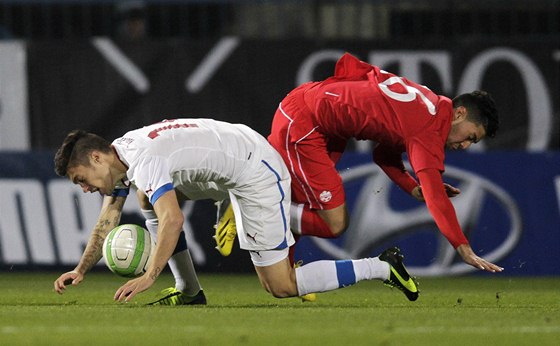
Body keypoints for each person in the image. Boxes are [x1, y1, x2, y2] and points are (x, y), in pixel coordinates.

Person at [52, 118, 419, 303]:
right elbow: (108, 217)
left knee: (280, 285)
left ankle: (381, 266)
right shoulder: (121, 155)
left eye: (80, 178)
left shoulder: (143, 161)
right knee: (147, 198)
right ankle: (191, 291)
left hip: (254, 170)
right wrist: (81, 269)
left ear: (96, 157)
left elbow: (174, 219)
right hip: (230, 156)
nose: (85, 188)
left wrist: (149, 276)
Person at [263, 52, 503, 273]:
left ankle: (286, 270)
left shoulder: (430, 104)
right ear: (459, 113)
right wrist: (463, 247)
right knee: (334, 223)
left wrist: (412, 188)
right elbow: (437, 200)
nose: (466, 145)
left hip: (313, 110)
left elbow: (383, 156)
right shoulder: (429, 129)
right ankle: (255, 206)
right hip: (306, 122)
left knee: (301, 206)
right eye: (471, 136)